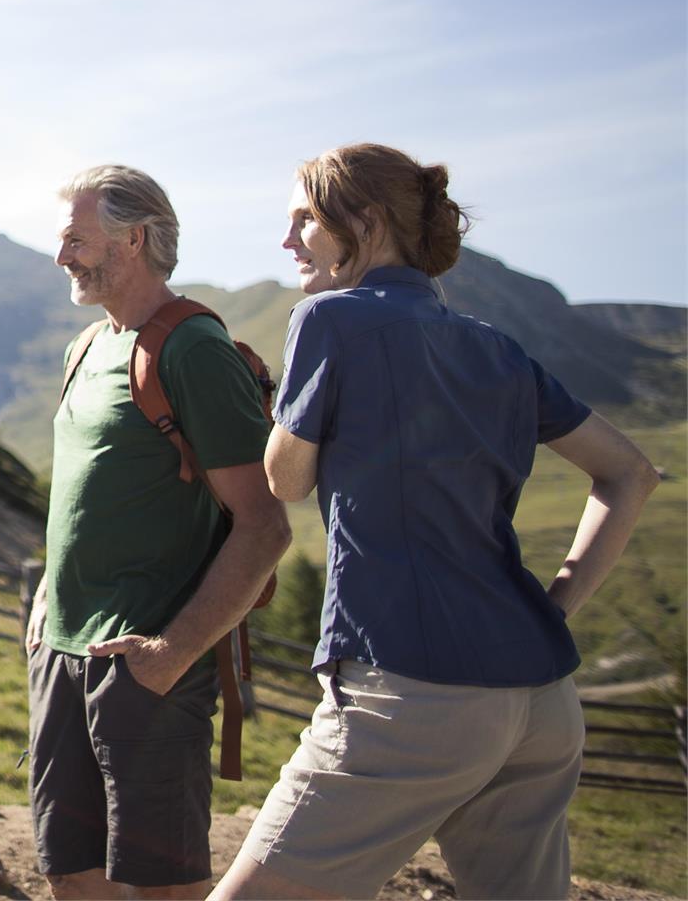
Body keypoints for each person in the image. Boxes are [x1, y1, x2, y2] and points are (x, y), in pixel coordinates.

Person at [213, 144, 661, 901]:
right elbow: (631, 473)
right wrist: (552, 611)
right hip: (541, 698)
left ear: (366, 220)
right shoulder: (497, 346)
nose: (288, 244)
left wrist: (284, 404)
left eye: (303, 221)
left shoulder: (327, 318)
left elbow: (286, 479)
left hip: (410, 688)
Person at [27, 166, 292, 900]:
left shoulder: (191, 348)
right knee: (70, 872)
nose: (63, 258)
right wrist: (48, 605)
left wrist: (170, 655)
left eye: (77, 240)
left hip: (144, 659)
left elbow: (265, 526)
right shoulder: (87, 348)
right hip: (63, 650)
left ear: (134, 239)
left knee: (159, 886)